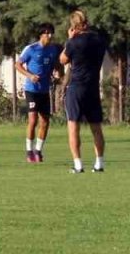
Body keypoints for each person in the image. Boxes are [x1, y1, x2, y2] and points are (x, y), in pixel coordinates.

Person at [60, 10, 108, 173]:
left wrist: (69, 39)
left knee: (73, 125)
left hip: (76, 88)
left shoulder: (73, 42)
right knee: (96, 127)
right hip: (93, 88)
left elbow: (63, 60)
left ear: (74, 26)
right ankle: (99, 163)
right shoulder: (99, 40)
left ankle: (78, 165)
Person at [15, 23, 63, 163]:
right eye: (47, 33)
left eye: (51, 33)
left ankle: (38, 151)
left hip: (44, 90)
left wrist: (59, 73)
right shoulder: (31, 49)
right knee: (33, 120)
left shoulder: (53, 50)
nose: (50, 36)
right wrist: (30, 75)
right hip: (32, 90)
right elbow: (18, 65)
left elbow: (57, 65)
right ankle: (29, 151)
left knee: (45, 122)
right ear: (41, 34)